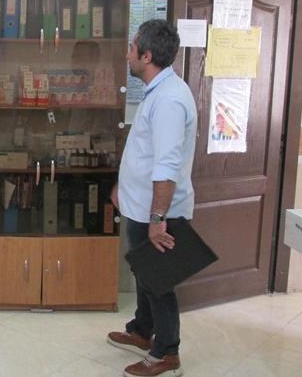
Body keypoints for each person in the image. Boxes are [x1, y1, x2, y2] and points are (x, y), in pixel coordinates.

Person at [107, 19, 196, 377]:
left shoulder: (170, 99)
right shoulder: (157, 90)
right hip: (141, 206)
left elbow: (166, 166)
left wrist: (158, 219)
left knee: (158, 282)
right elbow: (144, 153)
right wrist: (123, 188)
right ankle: (143, 331)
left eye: (132, 48)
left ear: (146, 56)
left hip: (158, 213)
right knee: (143, 272)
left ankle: (166, 353)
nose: (127, 54)